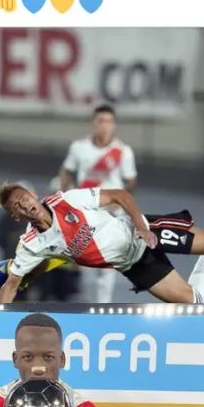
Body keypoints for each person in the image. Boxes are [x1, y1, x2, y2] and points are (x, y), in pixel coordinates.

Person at [0, 165, 204, 304]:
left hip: (142, 234)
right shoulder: (31, 245)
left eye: (24, 197)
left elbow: (121, 196)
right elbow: (11, 284)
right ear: (16, 215)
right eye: (17, 206)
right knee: (195, 301)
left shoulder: (68, 199)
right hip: (133, 266)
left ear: (33, 196)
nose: (25, 204)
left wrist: (140, 227)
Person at [56, 104, 138, 303]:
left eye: (108, 122)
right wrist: (64, 196)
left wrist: (120, 199)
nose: (104, 126)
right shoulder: (79, 147)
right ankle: (69, 293)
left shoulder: (123, 152)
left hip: (110, 213)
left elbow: (131, 180)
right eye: (100, 121)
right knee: (73, 252)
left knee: (107, 260)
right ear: (93, 123)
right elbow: (67, 171)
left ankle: (104, 305)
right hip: (84, 209)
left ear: (114, 125)